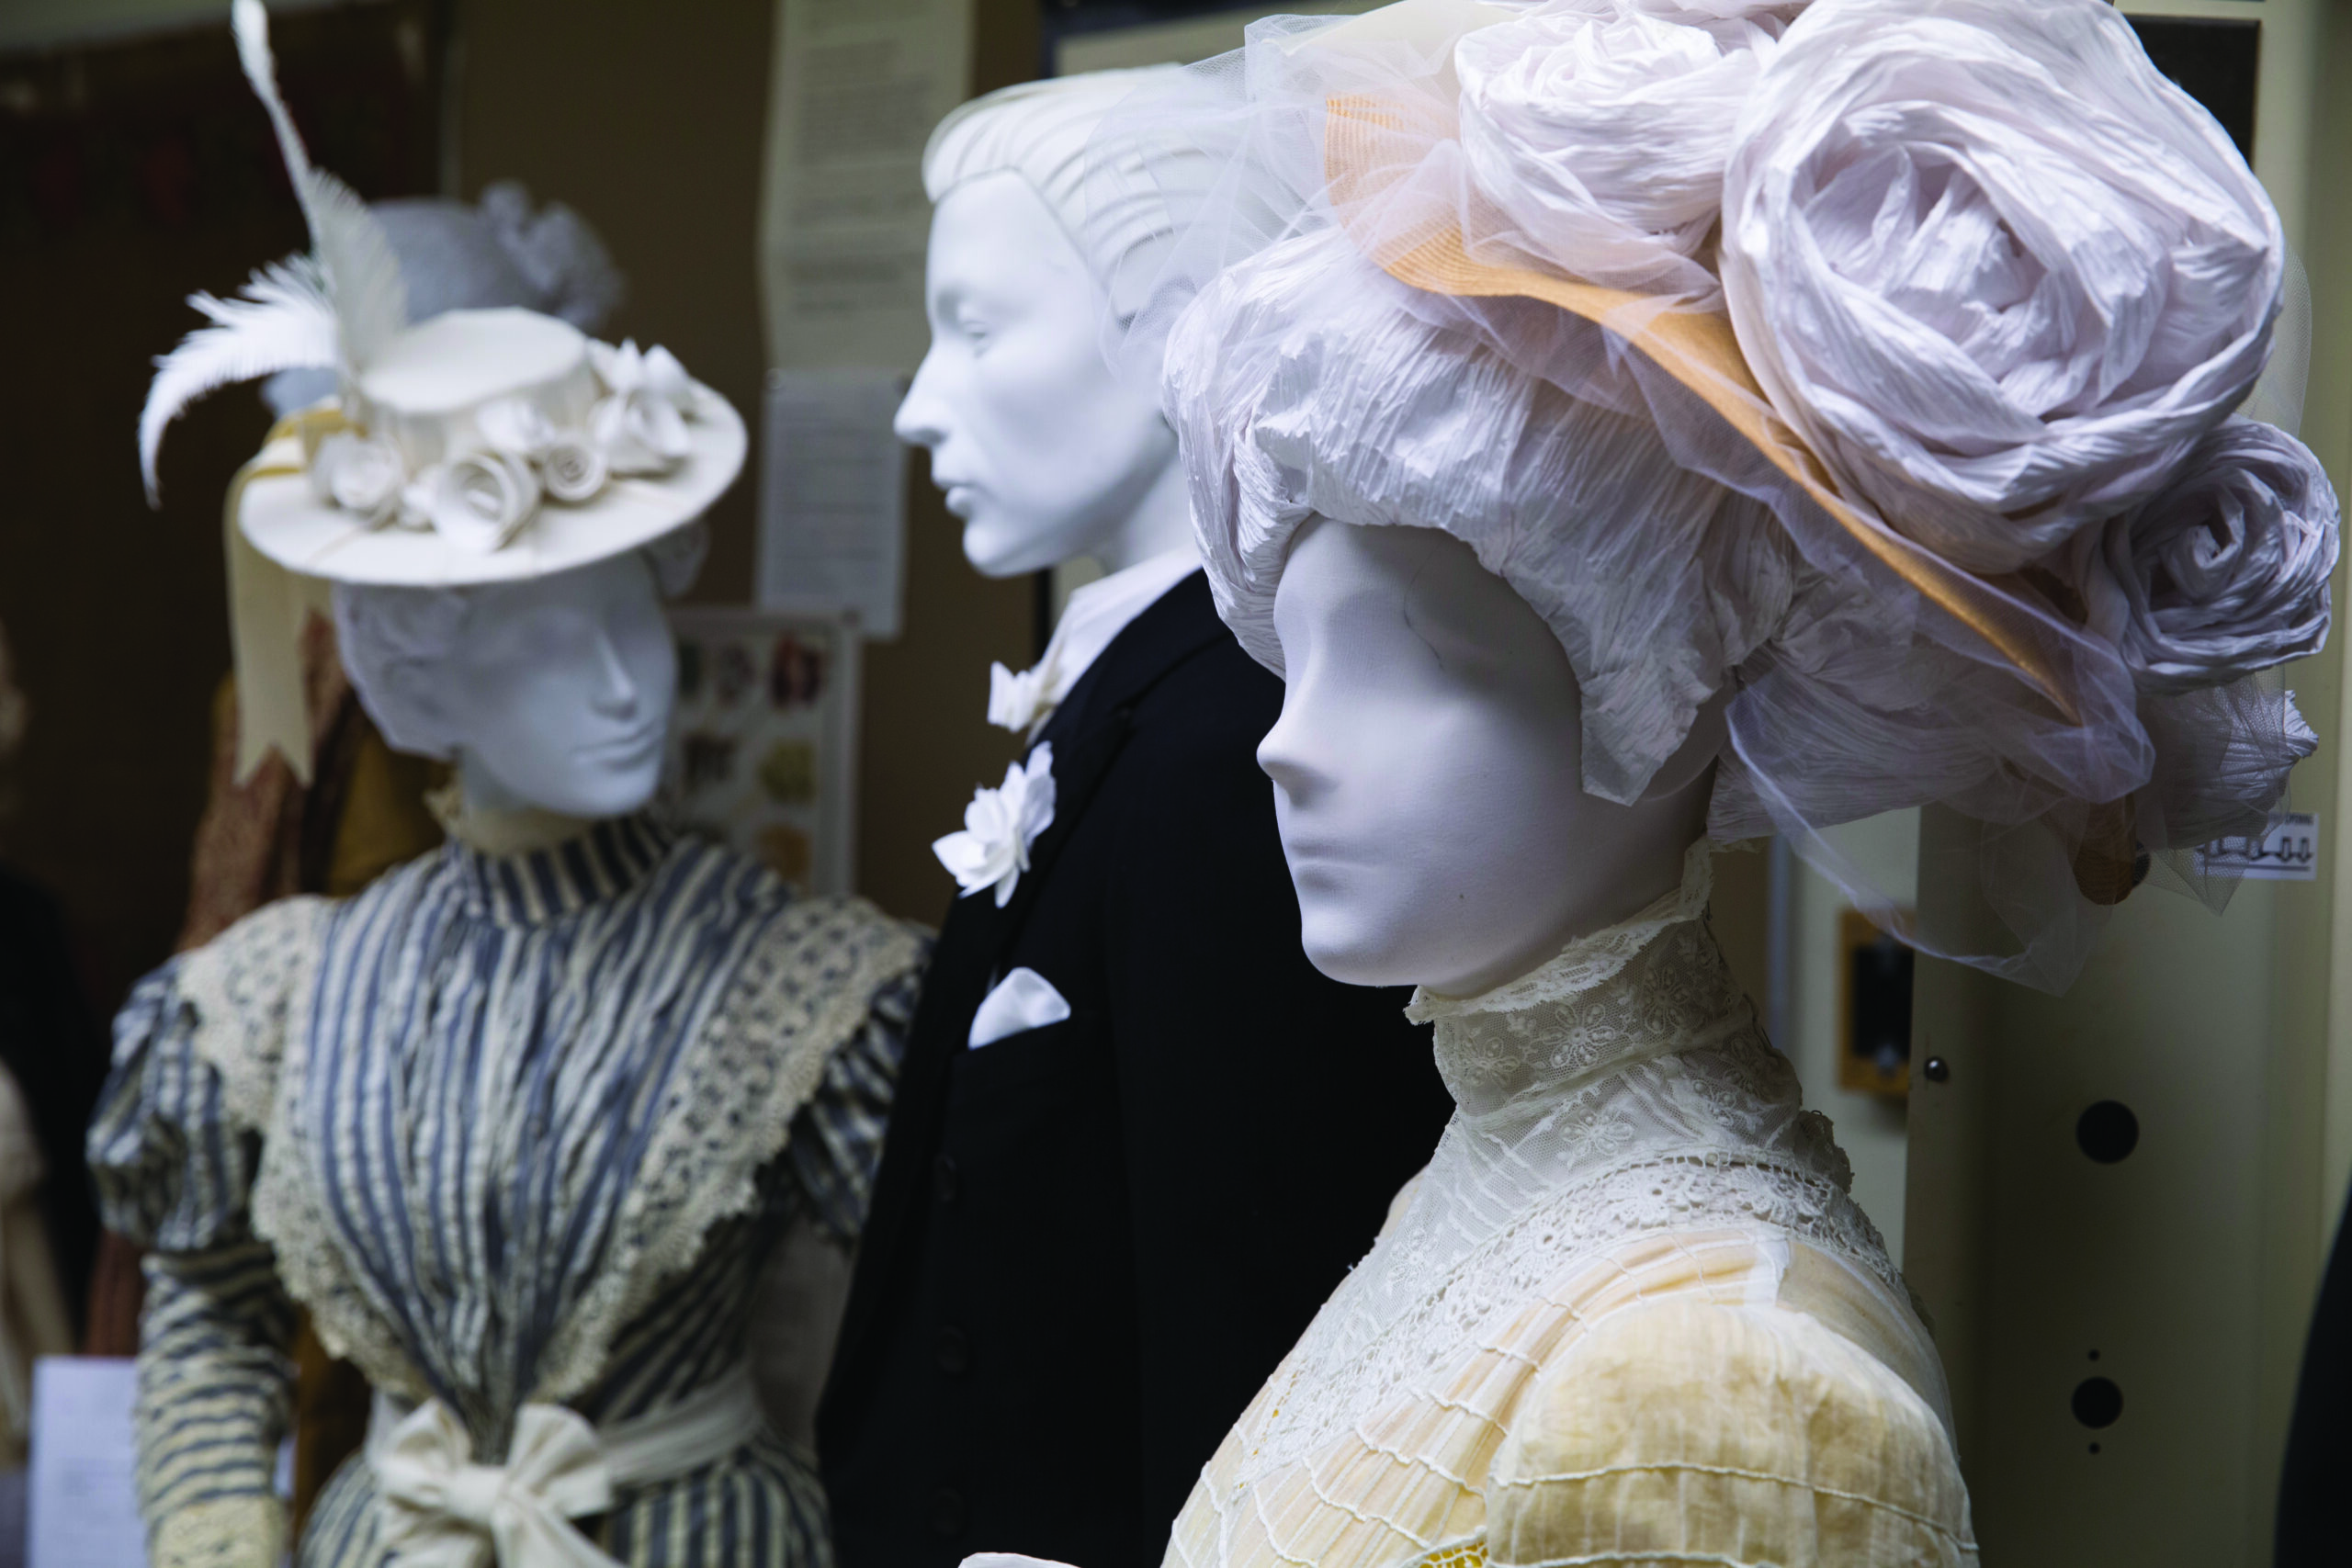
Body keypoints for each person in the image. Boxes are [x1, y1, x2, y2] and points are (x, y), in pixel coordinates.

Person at [970, 1, 2335, 1564]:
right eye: (1299, 652)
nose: (1287, 738)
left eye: (1420, 656)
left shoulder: (1721, 1388)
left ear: (1672, 691)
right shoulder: (1500, 1179)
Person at [89, 8, 925, 1568]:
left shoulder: (807, 983)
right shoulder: (276, 998)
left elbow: (942, 1337)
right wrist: (217, 1531)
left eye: (634, 610)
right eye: (547, 638)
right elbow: (202, 1292)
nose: (623, 679)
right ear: (417, 674)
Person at [817, 71, 1455, 1568]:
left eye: (976, 328)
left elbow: (1249, 1288)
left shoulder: (1228, 749)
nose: (918, 404)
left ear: (1184, 321)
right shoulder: (1124, 709)